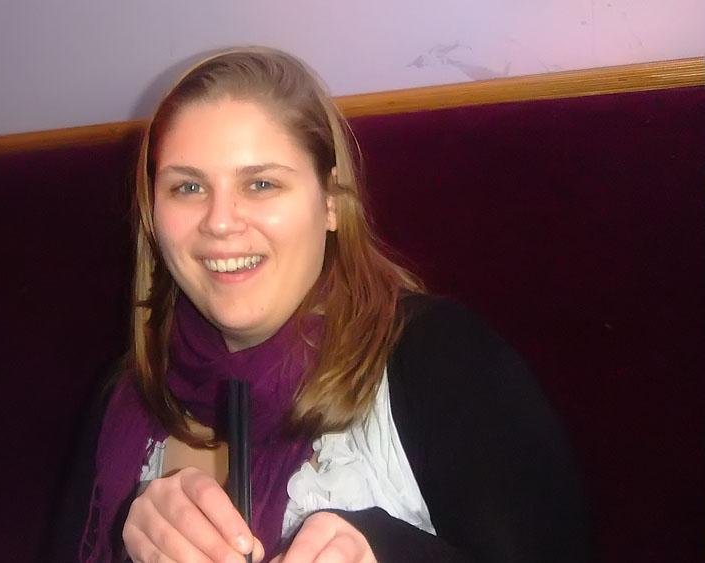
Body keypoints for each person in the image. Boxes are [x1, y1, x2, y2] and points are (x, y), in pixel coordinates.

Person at [54, 47, 587, 562]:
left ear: (330, 201)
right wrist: (127, 546)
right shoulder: (126, 393)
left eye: (261, 183)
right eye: (188, 187)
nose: (220, 222)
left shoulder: (442, 360)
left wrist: (393, 551)